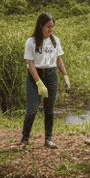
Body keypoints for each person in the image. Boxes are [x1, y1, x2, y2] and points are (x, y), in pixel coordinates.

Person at [20, 13, 70, 149]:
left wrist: (65, 76)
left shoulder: (55, 40)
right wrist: (38, 82)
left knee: (49, 109)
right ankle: (24, 139)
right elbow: (30, 63)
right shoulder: (31, 42)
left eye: (52, 27)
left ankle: (48, 139)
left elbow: (59, 60)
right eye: (48, 27)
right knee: (32, 109)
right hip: (35, 75)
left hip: (51, 74)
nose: (50, 30)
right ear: (41, 26)